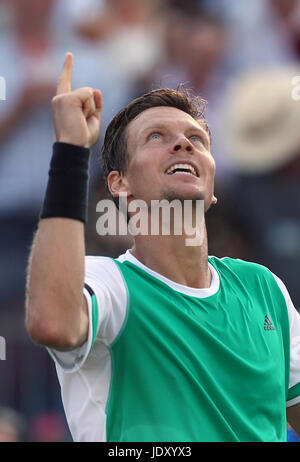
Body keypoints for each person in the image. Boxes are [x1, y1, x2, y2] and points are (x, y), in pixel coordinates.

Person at [25, 53, 300, 442]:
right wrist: (71, 150)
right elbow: (51, 323)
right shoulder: (110, 284)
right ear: (119, 185)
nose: (183, 145)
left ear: (213, 185)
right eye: (156, 137)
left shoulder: (264, 288)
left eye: (196, 139)